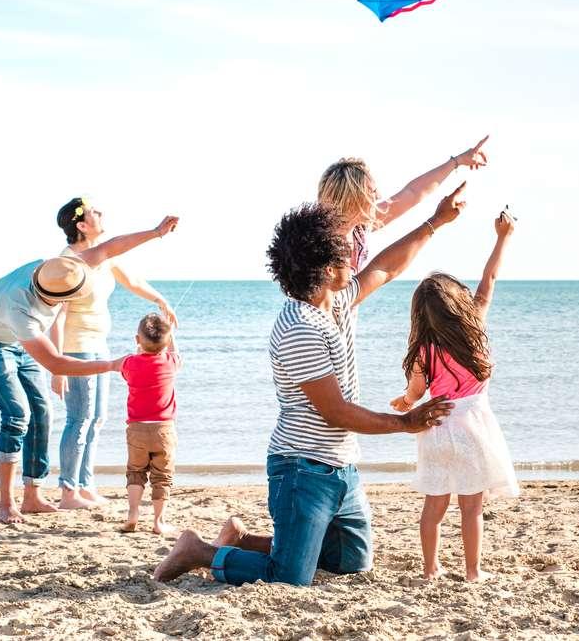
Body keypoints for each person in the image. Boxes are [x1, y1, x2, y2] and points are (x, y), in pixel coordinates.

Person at [151, 185, 468, 585]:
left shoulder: (332, 302)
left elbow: (385, 269)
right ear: (326, 269)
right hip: (301, 468)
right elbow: (334, 410)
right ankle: (199, 551)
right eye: (344, 254)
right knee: (289, 577)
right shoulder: (299, 327)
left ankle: (243, 539)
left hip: (340, 468)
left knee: (352, 563)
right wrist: (406, 422)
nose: (354, 258)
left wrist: (435, 222)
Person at [0, 215, 179, 524]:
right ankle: (6, 505)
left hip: (13, 335)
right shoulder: (22, 310)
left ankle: (32, 495)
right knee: (17, 414)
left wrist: (156, 232)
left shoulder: (61, 270)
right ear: (59, 300)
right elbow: (55, 362)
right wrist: (113, 365)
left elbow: (111, 247)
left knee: (42, 410)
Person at [391, 209, 519, 582]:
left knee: (434, 505)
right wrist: (502, 237)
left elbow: (414, 394)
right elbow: (489, 278)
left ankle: (430, 569)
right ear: (457, 304)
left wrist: (403, 403)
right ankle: (473, 572)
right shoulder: (475, 324)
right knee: (471, 507)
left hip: (437, 427)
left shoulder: (423, 353)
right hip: (473, 427)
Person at [49, 197, 181, 510]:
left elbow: (132, 280)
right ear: (81, 226)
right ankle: (69, 491)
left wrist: (161, 301)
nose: (100, 212)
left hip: (98, 345)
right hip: (75, 349)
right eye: (93, 211)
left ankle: (85, 484)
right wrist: (57, 367)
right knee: (79, 419)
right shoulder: (70, 264)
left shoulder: (103, 258)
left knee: (96, 419)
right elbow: (59, 317)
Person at [318, 135, 490, 272]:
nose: (379, 196)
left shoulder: (358, 228)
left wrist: (457, 161)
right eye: (371, 191)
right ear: (352, 198)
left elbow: (412, 193)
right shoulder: (317, 242)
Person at [120, 313, 181, 535]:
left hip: (136, 429)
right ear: (166, 342)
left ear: (137, 340)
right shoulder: (170, 362)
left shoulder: (130, 363)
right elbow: (175, 353)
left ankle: (133, 513)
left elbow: (129, 371)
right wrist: (171, 334)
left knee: (135, 472)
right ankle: (158, 522)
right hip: (163, 429)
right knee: (162, 476)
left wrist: (139, 352)